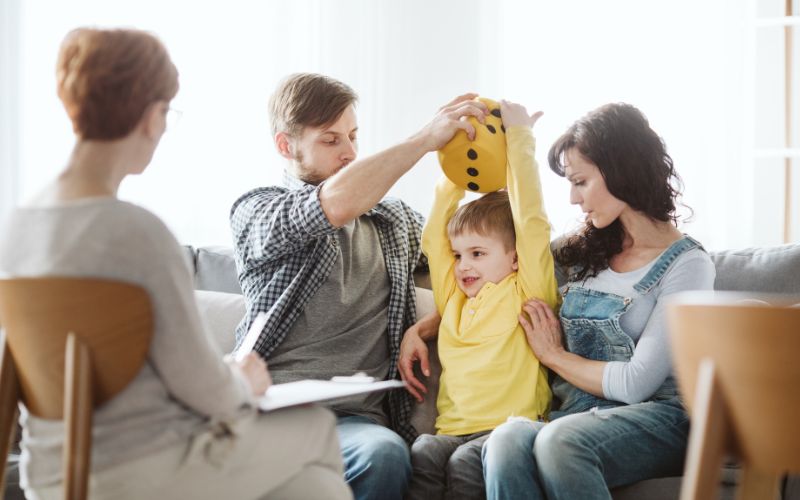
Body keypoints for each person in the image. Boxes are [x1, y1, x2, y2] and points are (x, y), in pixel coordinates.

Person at [0, 28, 351, 500]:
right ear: (151, 116)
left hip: (53, 471)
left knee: (312, 485)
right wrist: (241, 378)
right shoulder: (138, 232)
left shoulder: (16, 229)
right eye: (167, 113)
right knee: (313, 428)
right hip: (146, 467)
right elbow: (206, 390)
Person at [229, 73, 488, 500]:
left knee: (384, 454)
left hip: (355, 424)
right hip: (270, 412)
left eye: (353, 136)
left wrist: (421, 328)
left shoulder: (394, 221)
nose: (349, 152)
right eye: (330, 141)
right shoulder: (257, 210)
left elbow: (471, 267)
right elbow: (332, 204)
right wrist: (424, 139)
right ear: (286, 145)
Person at [481, 102, 716, 500]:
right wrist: (424, 327)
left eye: (581, 181)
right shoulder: (577, 253)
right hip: (575, 415)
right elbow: (502, 280)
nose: (573, 198)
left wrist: (553, 356)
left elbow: (636, 384)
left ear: (620, 170)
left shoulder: (689, 265)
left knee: (561, 442)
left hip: (660, 417)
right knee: (505, 440)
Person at [404, 101, 559, 500]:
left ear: (513, 258)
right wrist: (458, 158)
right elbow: (434, 239)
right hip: (451, 430)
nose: (463, 265)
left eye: (478, 253)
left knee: (465, 464)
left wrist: (520, 139)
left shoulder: (526, 290)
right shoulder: (454, 298)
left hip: (510, 427)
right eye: (459, 255)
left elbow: (531, 222)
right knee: (423, 450)